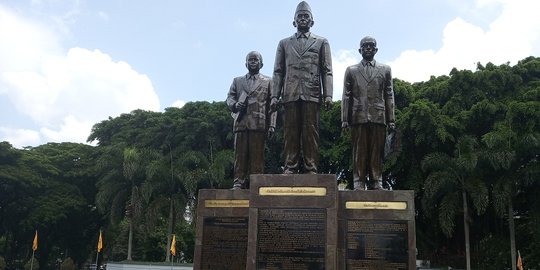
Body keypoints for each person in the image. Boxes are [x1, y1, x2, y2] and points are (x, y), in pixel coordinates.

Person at [270, 1, 333, 174]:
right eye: (300, 16)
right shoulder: (284, 43)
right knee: (290, 133)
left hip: (311, 93)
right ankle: (290, 167)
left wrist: (328, 95)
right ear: (294, 21)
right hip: (290, 93)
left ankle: (311, 167)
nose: (303, 19)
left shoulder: (321, 42)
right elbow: (278, 71)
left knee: (310, 132)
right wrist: (274, 96)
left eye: (306, 16)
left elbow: (327, 70)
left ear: (312, 21)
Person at [341, 36, 395, 190]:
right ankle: (359, 182)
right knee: (359, 151)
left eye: (371, 46)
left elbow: (389, 94)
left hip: (379, 116)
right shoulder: (351, 70)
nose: (368, 48)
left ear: (376, 50)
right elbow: (346, 95)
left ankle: (376, 181)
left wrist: (391, 119)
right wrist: (345, 119)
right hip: (358, 116)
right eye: (365, 46)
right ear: (360, 50)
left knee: (376, 151)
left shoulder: (385, 70)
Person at [227, 51, 276, 189]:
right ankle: (239, 182)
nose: (253, 62)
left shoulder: (269, 81)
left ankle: (256, 183)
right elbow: (229, 98)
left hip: (258, 123)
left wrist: (272, 125)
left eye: (256, 60)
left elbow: (273, 105)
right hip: (241, 122)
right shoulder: (237, 81)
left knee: (257, 156)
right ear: (245, 63)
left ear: (261, 64)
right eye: (250, 60)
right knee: (240, 155)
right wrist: (235, 105)